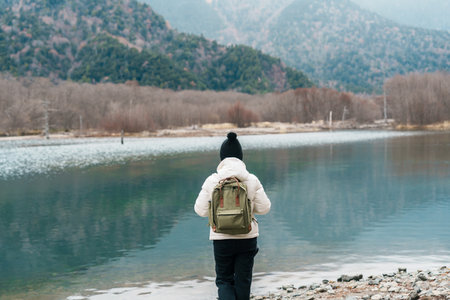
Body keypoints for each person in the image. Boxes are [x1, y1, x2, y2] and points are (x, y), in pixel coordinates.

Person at [194, 132, 271, 300]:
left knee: (224, 280)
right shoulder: (252, 179)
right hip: (247, 237)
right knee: (243, 281)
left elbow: (200, 210)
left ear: (221, 158)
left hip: (221, 239)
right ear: (241, 157)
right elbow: (265, 208)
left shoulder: (212, 180)